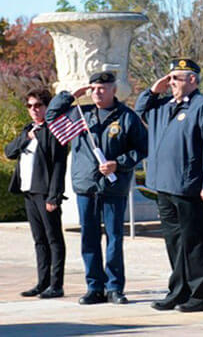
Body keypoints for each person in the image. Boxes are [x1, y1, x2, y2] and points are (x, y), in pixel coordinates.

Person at [46, 72, 148, 305]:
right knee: (89, 239)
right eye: (94, 88)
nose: (97, 92)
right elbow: (51, 116)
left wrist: (118, 164)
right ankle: (94, 286)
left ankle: (114, 287)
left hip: (113, 187)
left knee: (114, 238)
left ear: (113, 90)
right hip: (87, 186)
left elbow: (142, 148)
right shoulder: (80, 113)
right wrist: (71, 96)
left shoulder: (126, 117)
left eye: (102, 88)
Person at [135, 58, 203, 313]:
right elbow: (140, 110)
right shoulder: (163, 107)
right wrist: (153, 90)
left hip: (190, 186)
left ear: (192, 80)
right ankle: (179, 291)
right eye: (170, 78)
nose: (171, 82)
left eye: (176, 78)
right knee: (174, 242)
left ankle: (201, 295)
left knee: (195, 243)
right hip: (164, 185)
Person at [5, 88, 68, 299]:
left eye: (38, 105)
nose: (34, 109)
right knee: (39, 239)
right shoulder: (28, 130)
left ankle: (56, 284)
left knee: (53, 239)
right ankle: (43, 282)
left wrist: (54, 196)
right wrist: (27, 137)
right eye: (30, 106)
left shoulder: (53, 131)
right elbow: (9, 152)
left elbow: (59, 166)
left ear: (47, 107)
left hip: (45, 193)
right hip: (29, 192)